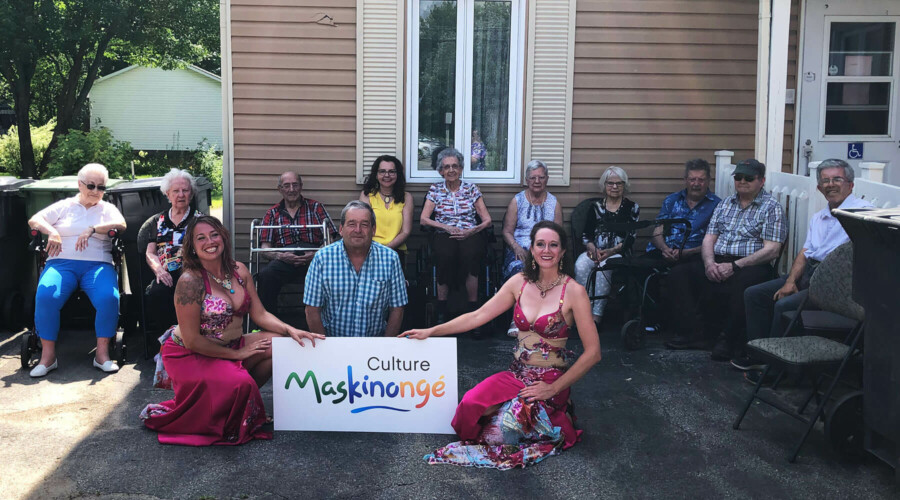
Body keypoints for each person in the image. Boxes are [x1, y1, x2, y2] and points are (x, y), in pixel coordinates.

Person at [401, 221, 601, 469]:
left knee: (501, 432)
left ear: (561, 252)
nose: (546, 250)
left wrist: (553, 388)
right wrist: (431, 331)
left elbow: (593, 353)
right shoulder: (519, 282)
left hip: (548, 381)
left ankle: (557, 410)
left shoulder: (574, 291)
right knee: (470, 409)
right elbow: (478, 315)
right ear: (532, 248)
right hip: (516, 374)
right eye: (540, 244)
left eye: (553, 245)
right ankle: (526, 410)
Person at [141, 216, 323, 446]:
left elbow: (260, 315)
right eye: (201, 238)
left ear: (224, 238)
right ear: (192, 247)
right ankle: (234, 401)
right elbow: (192, 341)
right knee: (241, 383)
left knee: (280, 344)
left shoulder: (239, 271)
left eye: (214, 234)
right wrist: (238, 355)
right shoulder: (190, 281)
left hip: (230, 345)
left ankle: (233, 404)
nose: (210, 241)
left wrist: (291, 330)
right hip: (192, 354)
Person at [734, 159, 873, 371]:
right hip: (809, 274)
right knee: (754, 294)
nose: (831, 184)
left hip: (834, 284)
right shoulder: (819, 217)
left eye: (837, 179)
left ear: (850, 185)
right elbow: (805, 252)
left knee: (784, 305)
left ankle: (775, 369)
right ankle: (759, 354)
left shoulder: (863, 214)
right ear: (819, 188)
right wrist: (790, 281)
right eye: (825, 181)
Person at [665, 159, 786, 361]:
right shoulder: (725, 204)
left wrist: (735, 266)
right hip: (719, 259)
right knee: (679, 274)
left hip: (751, 263)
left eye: (749, 178)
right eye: (738, 177)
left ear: (761, 181)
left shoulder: (771, 207)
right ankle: (695, 334)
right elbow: (709, 239)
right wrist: (709, 264)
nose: (742, 181)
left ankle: (728, 340)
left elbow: (772, 250)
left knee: (744, 283)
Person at [27, 163, 127, 377]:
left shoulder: (107, 208)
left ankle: (102, 355)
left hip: (97, 264)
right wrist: (52, 231)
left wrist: (93, 229)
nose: (96, 191)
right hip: (61, 263)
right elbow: (34, 219)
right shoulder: (65, 206)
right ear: (79, 185)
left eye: (102, 187)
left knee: (109, 298)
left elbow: (121, 224)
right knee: (46, 295)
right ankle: (48, 357)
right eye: (91, 185)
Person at [304, 201, 408, 337]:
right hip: (333, 343)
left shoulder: (390, 259)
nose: (358, 230)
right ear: (341, 229)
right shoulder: (322, 259)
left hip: (374, 346)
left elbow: (397, 309)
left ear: (373, 230)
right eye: (351, 224)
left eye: (364, 224)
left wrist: (386, 347)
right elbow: (311, 310)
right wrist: (325, 350)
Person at [421, 147, 492, 329]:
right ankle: (442, 310)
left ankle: (473, 310)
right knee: (445, 256)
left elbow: (487, 220)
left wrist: (471, 231)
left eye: (455, 166)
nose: (451, 170)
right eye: (446, 167)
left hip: (470, 232)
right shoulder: (435, 190)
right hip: (444, 233)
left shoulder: (471, 189)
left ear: (461, 169)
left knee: (471, 256)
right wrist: (445, 227)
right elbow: (424, 219)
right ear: (440, 171)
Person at [257, 172, 339, 322]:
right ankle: (269, 324)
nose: (291, 189)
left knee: (334, 274)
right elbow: (264, 248)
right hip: (284, 257)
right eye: (286, 185)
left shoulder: (315, 207)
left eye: (295, 185)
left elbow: (332, 239)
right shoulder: (272, 213)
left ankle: (330, 322)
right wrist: (281, 256)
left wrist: (316, 254)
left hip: (315, 258)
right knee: (265, 276)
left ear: (301, 187)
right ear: (280, 189)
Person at [501, 160, 563, 335]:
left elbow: (559, 234)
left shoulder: (554, 203)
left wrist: (546, 250)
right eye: (533, 177)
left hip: (546, 250)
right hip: (519, 249)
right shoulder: (517, 201)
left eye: (541, 177)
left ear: (547, 179)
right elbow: (507, 232)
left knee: (548, 269)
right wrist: (516, 247)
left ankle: (544, 320)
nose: (537, 181)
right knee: (520, 270)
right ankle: (517, 319)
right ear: (527, 180)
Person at [574, 166, 640, 327]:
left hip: (618, 253)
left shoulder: (632, 208)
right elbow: (586, 235)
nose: (615, 187)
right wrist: (593, 249)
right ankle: (584, 312)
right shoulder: (595, 207)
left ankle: (597, 316)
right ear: (604, 185)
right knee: (581, 265)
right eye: (610, 183)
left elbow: (630, 238)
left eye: (619, 183)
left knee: (605, 266)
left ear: (625, 185)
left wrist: (610, 252)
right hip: (594, 251)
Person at [143, 169, 204, 336]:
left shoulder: (199, 219)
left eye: (185, 190)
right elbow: (150, 252)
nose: (181, 194)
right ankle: (167, 343)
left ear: (191, 194)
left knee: (189, 292)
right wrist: (159, 270)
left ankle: (189, 339)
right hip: (166, 273)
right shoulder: (158, 221)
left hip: (192, 271)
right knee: (157, 293)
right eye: (176, 191)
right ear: (167, 194)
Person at [644, 158, 721, 265]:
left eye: (701, 180)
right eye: (692, 179)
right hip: (663, 252)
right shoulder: (671, 200)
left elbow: (717, 240)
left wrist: (688, 252)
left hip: (694, 256)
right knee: (635, 269)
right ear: (685, 180)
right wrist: (664, 249)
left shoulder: (718, 205)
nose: (696, 184)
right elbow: (657, 231)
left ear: (709, 180)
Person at [358, 155, 413, 263]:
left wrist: (386, 249)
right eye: (382, 171)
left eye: (392, 171)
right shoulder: (366, 196)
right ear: (376, 174)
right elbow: (363, 226)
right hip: (370, 249)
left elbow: (406, 231)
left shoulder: (406, 197)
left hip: (395, 250)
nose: (387, 175)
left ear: (398, 174)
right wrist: (375, 250)